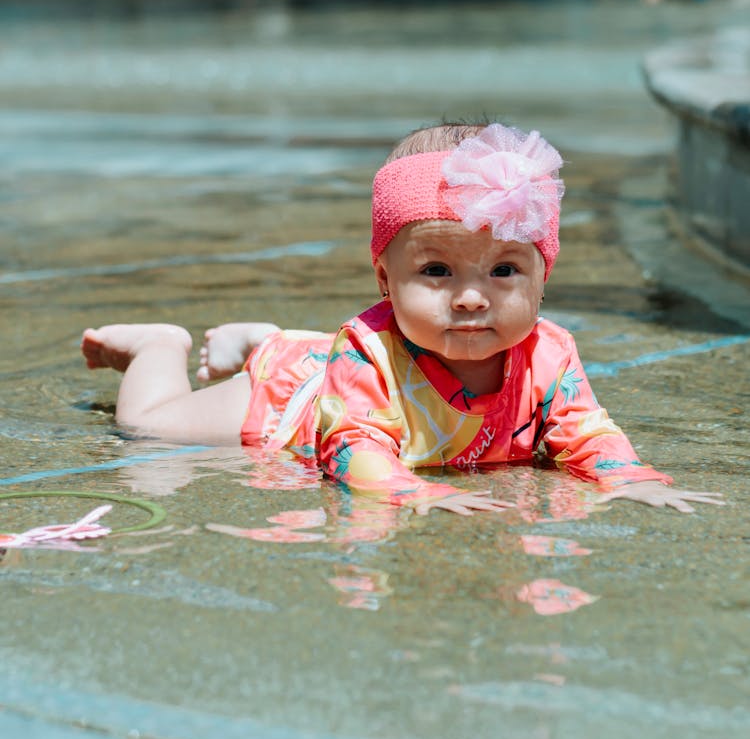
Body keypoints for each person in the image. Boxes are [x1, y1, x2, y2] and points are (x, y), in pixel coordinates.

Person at [81, 122, 722, 516]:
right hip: (296, 405)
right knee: (149, 429)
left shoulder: (549, 356)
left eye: (504, 271)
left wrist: (628, 477)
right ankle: (159, 349)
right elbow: (353, 448)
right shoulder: (369, 351)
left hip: (331, 362)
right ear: (386, 281)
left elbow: (588, 433)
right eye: (438, 272)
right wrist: (413, 492)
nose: (472, 298)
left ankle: (269, 337)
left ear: (542, 278)